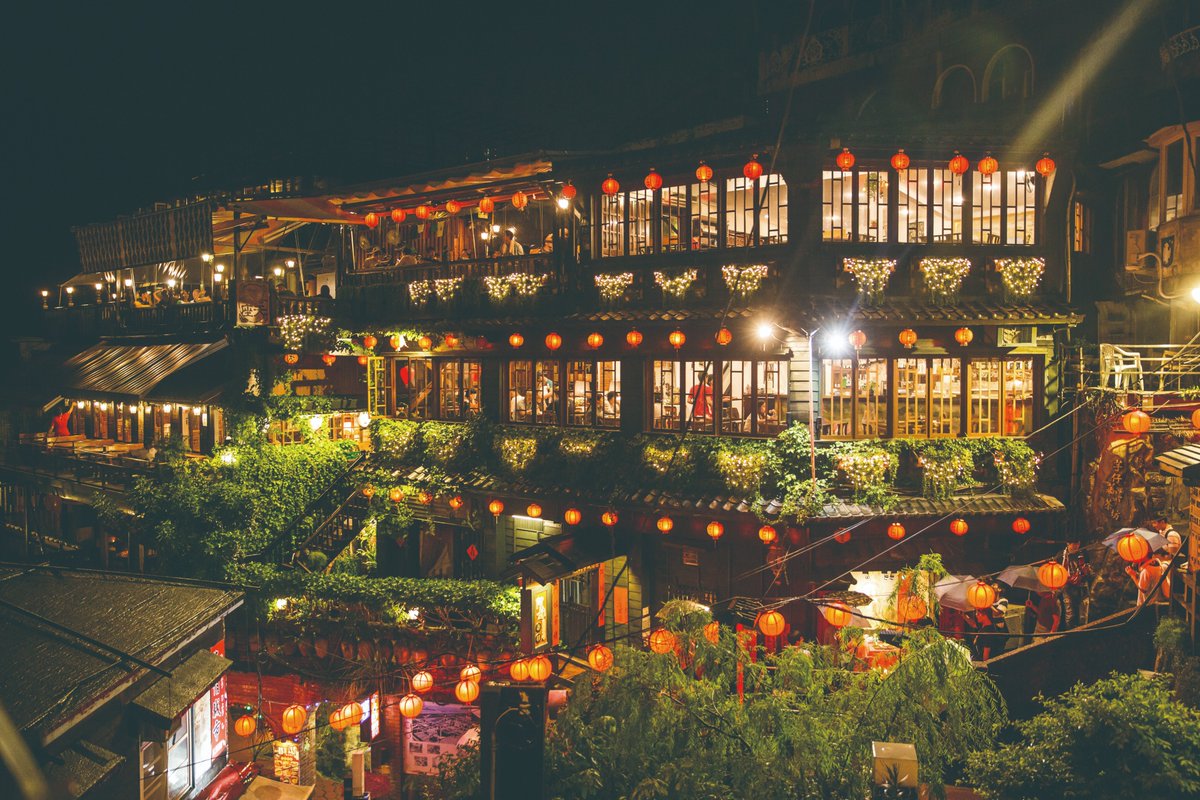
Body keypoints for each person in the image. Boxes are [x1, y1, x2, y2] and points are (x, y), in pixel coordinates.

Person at [1060, 539, 1091, 629]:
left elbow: (1089, 569)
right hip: (1068, 587)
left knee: (1083, 615)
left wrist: (1086, 571)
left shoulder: (1083, 553)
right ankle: (1070, 633)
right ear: (1068, 543)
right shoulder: (1061, 555)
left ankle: (1083, 632)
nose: (1076, 547)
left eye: (1078, 544)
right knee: (1070, 614)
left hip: (1082, 585)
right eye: (1074, 544)